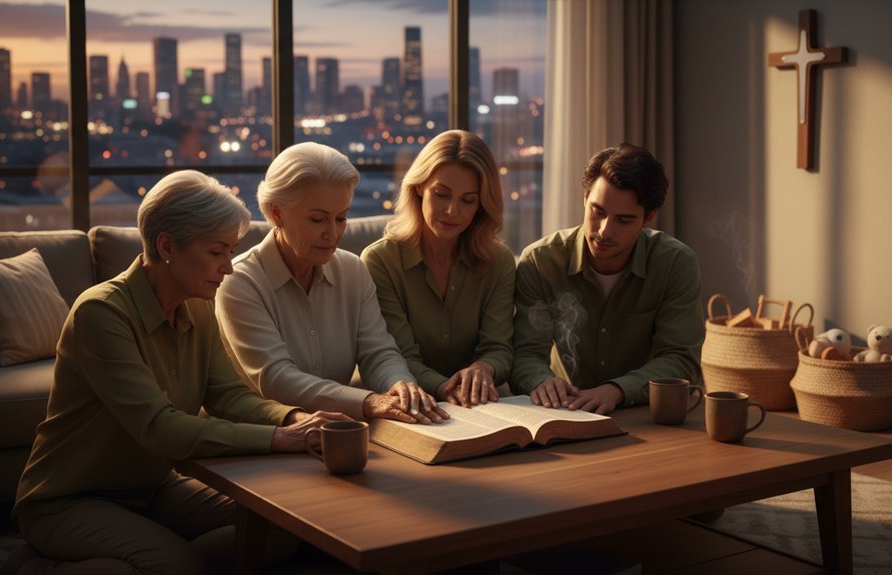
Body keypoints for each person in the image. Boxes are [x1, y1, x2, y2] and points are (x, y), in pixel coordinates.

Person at [9, 170, 346, 574]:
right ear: (167, 245)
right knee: (174, 563)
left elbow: (228, 396)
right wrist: (279, 439)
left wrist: (296, 420)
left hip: (154, 489)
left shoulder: (198, 304)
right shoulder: (100, 313)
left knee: (281, 525)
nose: (229, 268)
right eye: (216, 252)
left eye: (231, 251)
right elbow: (160, 427)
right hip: (69, 500)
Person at [216, 142, 449, 424]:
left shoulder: (354, 271)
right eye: (317, 219)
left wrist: (400, 386)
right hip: (267, 439)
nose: (333, 233)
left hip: (344, 431)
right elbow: (276, 378)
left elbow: (378, 353)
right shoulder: (239, 282)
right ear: (276, 213)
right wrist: (369, 402)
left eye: (341, 218)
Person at [510, 144, 704, 415]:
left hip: (644, 414)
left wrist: (618, 390)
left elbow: (681, 359)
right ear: (585, 198)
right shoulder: (540, 262)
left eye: (623, 220)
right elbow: (525, 352)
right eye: (597, 211)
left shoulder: (675, 264)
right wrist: (541, 381)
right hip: (565, 411)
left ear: (648, 218)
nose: (604, 231)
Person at [361, 130, 515, 407]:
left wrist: (484, 368)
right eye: (442, 194)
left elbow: (499, 348)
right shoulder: (380, 262)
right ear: (419, 187)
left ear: (481, 204)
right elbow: (398, 356)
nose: (452, 211)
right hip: (413, 402)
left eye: (468, 200)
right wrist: (443, 387)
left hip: (482, 404)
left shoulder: (499, 261)